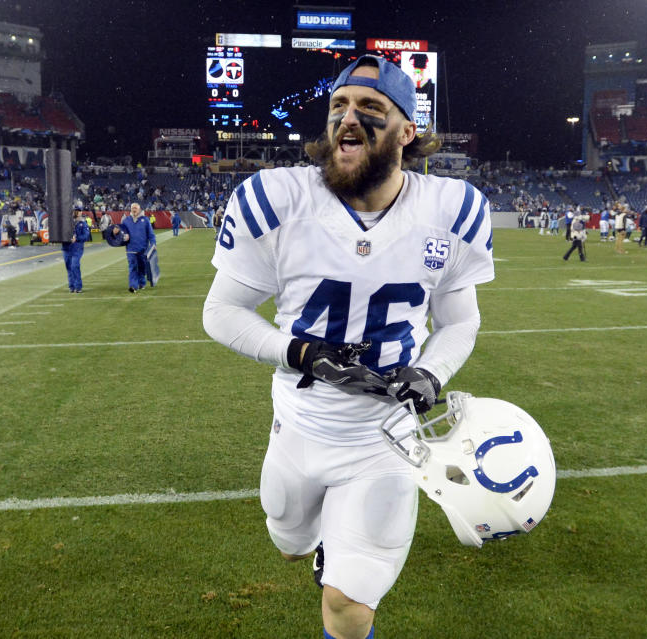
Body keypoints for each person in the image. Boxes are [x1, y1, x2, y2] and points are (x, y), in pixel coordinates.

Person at [202, 55, 493, 639]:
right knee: (288, 545)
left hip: (383, 439)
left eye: (370, 109)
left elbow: (460, 323)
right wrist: (302, 354)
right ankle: (314, 549)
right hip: (299, 424)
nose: (347, 119)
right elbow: (221, 312)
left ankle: (341, 577)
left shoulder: (453, 210)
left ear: (407, 132)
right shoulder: (277, 198)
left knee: (350, 607)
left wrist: (430, 373)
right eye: (338, 106)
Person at [120, 202, 156, 292]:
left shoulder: (145, 220)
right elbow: (121, 233)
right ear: (130, 209)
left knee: (142, 267)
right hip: (130, 249)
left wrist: (153, 244)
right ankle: (133, 286)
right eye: (132, 208)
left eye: (136, 208)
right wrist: (123, 237)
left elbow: (151, 234)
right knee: (132, 267)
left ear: (139, 209)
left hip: (142, 248)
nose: (134, 209)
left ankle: (141, 283)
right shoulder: (126, 221)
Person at [62, 211, 89, 293]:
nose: (77, 212)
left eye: (78, 211)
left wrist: (76, 238)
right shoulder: (66, 222)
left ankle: (78, 286)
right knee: (69, 267)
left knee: (74, 266)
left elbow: (86, 235)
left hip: (77, 248)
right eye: (75, 211)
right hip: (66, 247)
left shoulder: (83, 223)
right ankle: (72, 286)